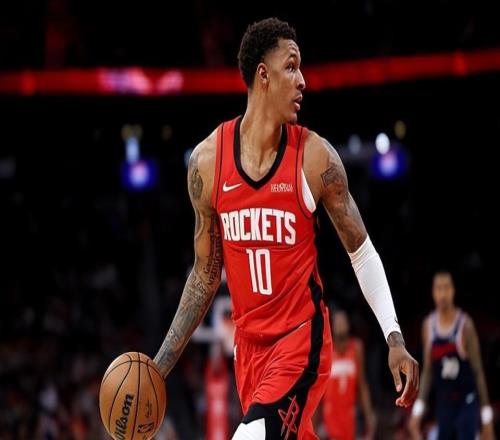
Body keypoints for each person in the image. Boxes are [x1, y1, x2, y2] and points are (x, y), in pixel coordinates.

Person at [153, 17, 419, 439]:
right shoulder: (207, 163)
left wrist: (394, 336)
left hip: (302, 341)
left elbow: (361, 251)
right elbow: (205, 275)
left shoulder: (314, 159)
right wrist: (159, 366)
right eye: (291, 67)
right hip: (249, 352)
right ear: (263, 75)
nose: (303, 81)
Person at [408, 271, 495, 440]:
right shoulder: (428, 326)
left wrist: (487, 417)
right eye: (439, 288)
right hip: (444, 404)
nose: (443, 294)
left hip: (466, 402)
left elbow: (478, 371)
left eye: (446, 288)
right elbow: (427, 372)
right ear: (433, 293)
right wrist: (417, 411)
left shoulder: (465, 324)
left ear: (453, 291)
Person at [321, 310, 376, 440]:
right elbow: (318, 389)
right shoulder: (325, 350)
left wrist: (369, 415)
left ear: (348, 325)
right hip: (330, 416)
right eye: (338, 322)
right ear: (332, 326)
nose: (341, 325)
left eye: (343, 321)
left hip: (350, 415)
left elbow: (362, 384)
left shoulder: (356, 348)